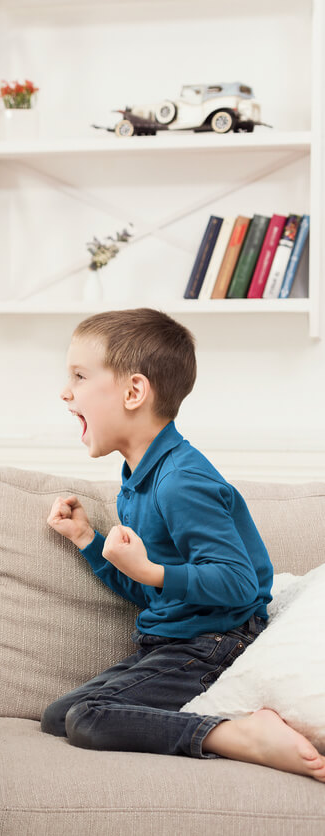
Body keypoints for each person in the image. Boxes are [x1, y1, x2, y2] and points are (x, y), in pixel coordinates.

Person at [44, 307, 325, 782]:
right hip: (171, 641)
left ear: (134, 391)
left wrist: (153, 571)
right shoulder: (139, 478)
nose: (65, 391)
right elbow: (153, 589)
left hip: (211, 644)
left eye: (79, 376)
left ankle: (235, 733)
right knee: (59, 717)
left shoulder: (181, 481)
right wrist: (89, 541)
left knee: (87, 719)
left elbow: (238, 585)